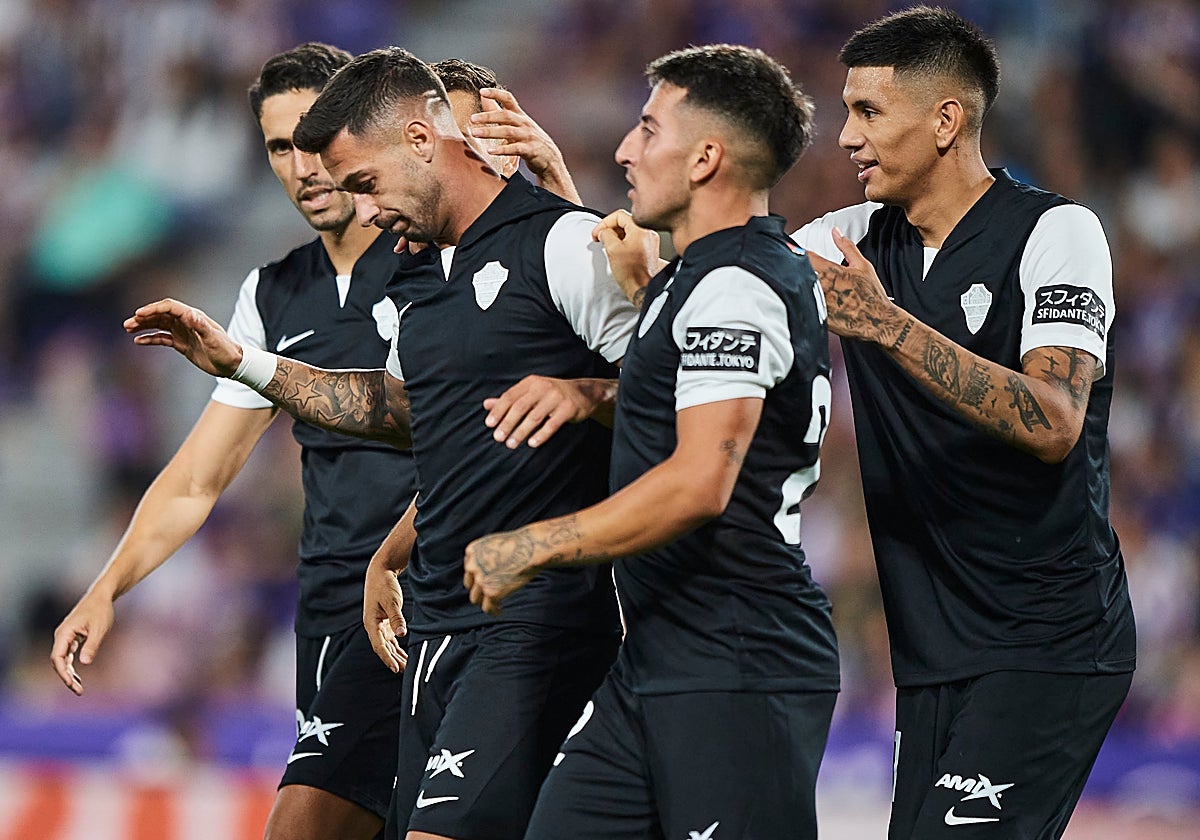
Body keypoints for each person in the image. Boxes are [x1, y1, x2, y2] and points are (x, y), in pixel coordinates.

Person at [121, 47, 639, 840]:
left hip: (537, 616)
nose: (362, 212)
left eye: (365, 183)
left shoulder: (562, 244)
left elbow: (672, 396)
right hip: (434, 621)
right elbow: (395, 406)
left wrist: (586, 393)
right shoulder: (417, 277)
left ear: (422, 141)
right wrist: (243, 363)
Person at [462, 44, 840, 839]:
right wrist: (588, 389)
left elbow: (702, 479)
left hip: (740, 660)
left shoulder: (737, 288)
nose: (627, 149)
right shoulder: (692, 279)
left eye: (647, 129)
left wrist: (535, 544)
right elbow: (661, 381)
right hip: (660, 657)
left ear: (706, 157)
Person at [785, 7, 1135, 838]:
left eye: (867, 111)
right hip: (932, 651)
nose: (845, 137)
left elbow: (1054, 418)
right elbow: (696, 280)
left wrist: (888, 324)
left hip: (1048, 642)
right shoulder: (853, 240)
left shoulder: (1057, 233)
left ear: (946, 120)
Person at [49, 42, 412, 840]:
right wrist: (108, 587)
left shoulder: (435, 261)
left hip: (433, 593)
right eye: (280, 146)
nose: (303, 165)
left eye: (317, 137)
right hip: (331, 614)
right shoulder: (272, 292)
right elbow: (196, 479)